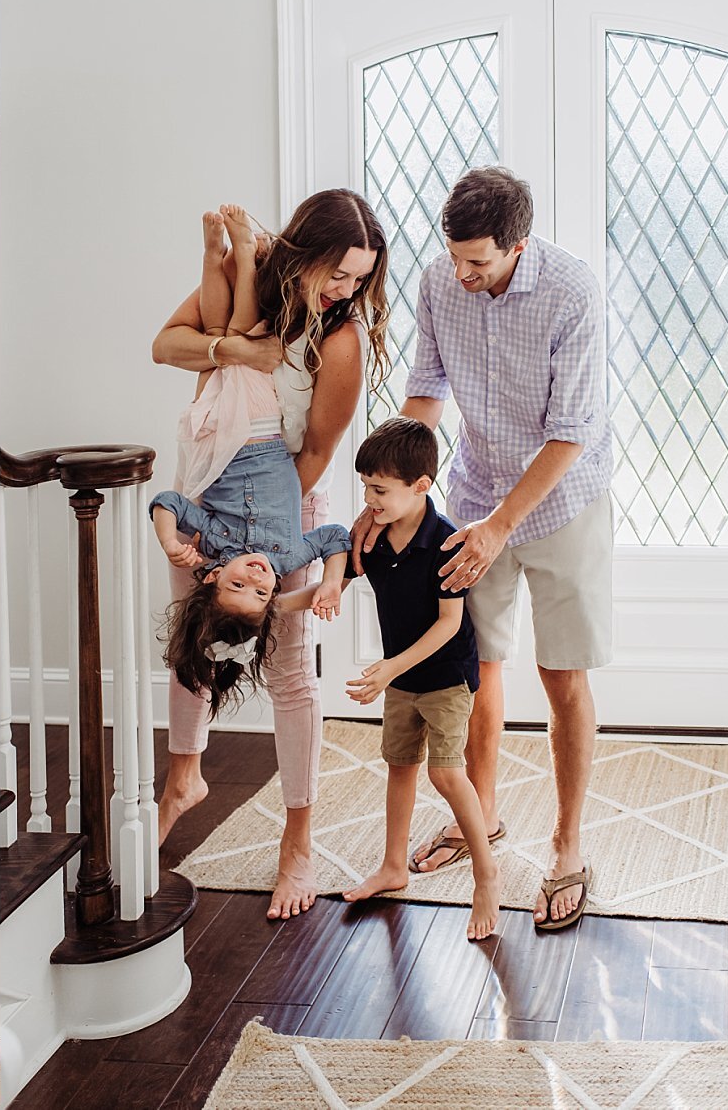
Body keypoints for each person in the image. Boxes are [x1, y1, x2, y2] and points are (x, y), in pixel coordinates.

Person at [354, 166, 612, 932]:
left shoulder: (573, 292)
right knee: (475, 664)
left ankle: (566, 845)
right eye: (454, 256)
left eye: (478, 262)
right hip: (470, 490)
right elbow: (425, 394)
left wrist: (503, 524)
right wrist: (397, 494)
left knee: (561, 673)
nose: (460, 274)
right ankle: (484, 814)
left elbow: (571, 431)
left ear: (518, 245)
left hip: (562, 499)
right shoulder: (442, 280)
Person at [152, 189, 391, 921]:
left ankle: (298, 838)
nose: (345, 290)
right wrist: (235, 349)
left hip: (283, 502)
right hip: (205, 486)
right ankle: (182, 777)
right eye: (339, 272)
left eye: (360, 279)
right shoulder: (253, 298)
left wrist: (265, 531)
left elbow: (316, 449)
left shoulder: (340, 338)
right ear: (306, 249)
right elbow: (169, 345)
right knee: (193, 639)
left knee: (290, 673)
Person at [151, 204, 350, 715]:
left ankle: (233, 253)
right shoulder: (284, 561)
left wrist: (171, 539)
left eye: (238, 583)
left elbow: (169, 499)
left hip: (220, 441)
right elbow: (333, 538)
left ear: (214, 576)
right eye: (260, 593)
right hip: (255, 431)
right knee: (229, 332)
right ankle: (216, 253)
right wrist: (332, 580)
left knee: (239, 337)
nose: (256, 577)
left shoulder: (213, 541)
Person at [339, 417, 497, 941]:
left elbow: (449, 625)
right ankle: (392, 866)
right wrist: (277, 602)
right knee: (400, 765)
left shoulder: (447, 542)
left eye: (380, 489)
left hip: (446, 675)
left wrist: (388, 669)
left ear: (421, 486)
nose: (370, 499)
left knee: (446, 774)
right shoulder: (375, 537)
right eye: (366, 486)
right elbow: (332, 575)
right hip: (402, 677)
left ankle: (485, 876)